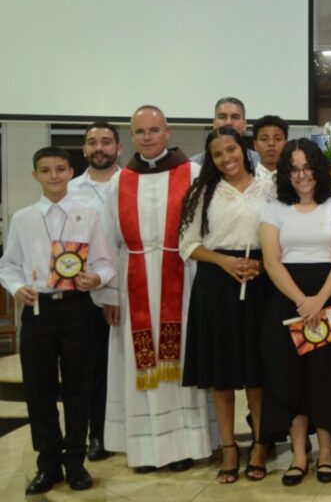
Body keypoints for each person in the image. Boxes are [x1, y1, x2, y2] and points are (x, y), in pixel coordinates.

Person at [94, 105, 213, 472]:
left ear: (167, 132)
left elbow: (207, 229)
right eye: (140, 132)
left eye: (154, 130)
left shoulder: (192, 173)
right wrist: (109, 295)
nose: (148, 137)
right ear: (131, 136)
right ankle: (145, 450)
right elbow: (107, 242)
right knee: (138, 367)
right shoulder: (120, 181)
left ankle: (184, 447)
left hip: (183, 277)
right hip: (133, 282)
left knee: (182, 363)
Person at [0, 147, 115, 494]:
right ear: (35, 175)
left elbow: (105, 263)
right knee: (39, 389)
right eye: (46, 170)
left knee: (79, 387)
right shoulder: (23, 218)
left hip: (78, 309)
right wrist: (17, 287)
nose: (54, 176)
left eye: (60, 169)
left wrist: (96, 278)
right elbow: (8, 265)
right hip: (38, 309)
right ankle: (48, 464)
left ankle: (75, 461)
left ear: (70, 172)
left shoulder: (89, 215)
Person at [259, 139, 331, 485]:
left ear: (319, 169)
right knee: (291, 378)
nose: (302, 175)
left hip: (328, 297)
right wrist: (302, 300)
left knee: (326, 377)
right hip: (288, 299)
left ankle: (326, 453)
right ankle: (299, 455)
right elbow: (271, 261)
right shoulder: (274, 209)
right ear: (286, 174)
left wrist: (319, 300)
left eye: (308, 167)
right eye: (294, 169)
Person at [179, 127, 275, 482]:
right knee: (221, 375)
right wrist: (225, 262)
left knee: (257, 373)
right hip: (216, 284)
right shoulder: (202, 192)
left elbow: (282, 234)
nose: (226, 158)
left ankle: (261, 445)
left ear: (243, 149)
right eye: (218, 154)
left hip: (260, 281)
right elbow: (188, 244)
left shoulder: (270, 187)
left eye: (231, 149)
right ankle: (229, 447)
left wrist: (263, 265)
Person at [67, 122, 121, 463]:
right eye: (92, 142)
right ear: (84, 149)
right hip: (82, 295)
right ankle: (97, 434)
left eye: (106, 141)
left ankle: (127, 431)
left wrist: (113, 293)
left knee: (125, 367)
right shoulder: (70, 190)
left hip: (129, 291)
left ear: (119, 147)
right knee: (92, 368)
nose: (99, 147)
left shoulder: (131, 183)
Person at [190, 96, 261, 166]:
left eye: (235, 117)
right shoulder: (194, 165)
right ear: (214, 123)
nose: (228, 122)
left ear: (244, 124)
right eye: (222, 117)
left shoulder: (260, 163)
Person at [253, 114, 289, 181]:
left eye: (278, 139)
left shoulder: (294, 180)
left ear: (286, 144)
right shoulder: (246, 179)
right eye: (264, 139)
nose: (271, 143)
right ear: (255, 145)